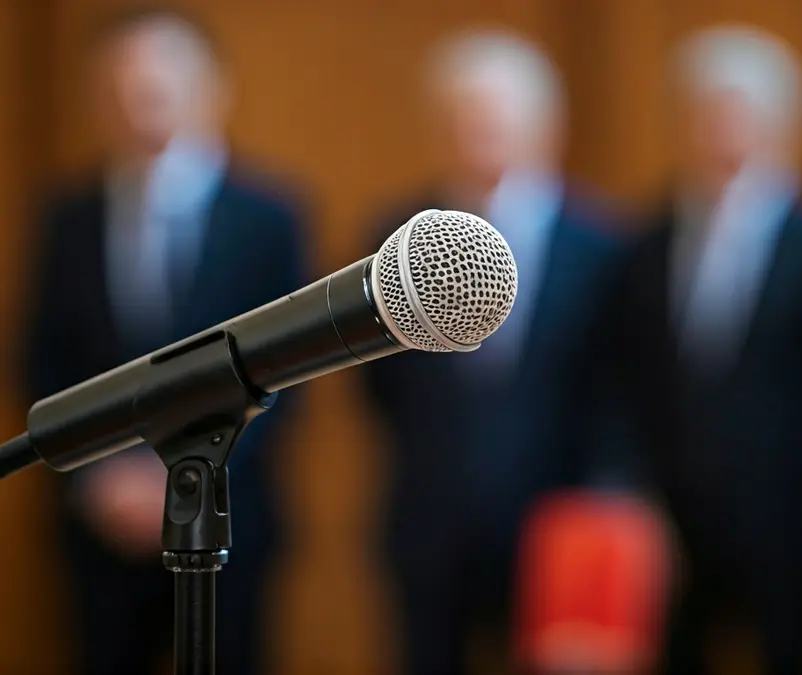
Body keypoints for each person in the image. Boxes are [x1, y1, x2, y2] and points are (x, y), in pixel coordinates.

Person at [21, 8, 309, 675]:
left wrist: (186, 477)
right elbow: (45, 359)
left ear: (211, 89)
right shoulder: (67, 219)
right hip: (101, 528)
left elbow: (290, 375)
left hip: (230, 524)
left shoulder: (269, 217)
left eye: (161, 82)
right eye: (125, 84)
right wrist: (96, 477)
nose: (142, 99)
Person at [359, 29, 627, 675]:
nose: (482, 135)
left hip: (557, 523)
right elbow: (376, 382)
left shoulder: (601, 244)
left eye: (499, 119)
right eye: (467, 118)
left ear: (544, 126)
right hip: (428, 520)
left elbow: (616, 387)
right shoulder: (397, 238)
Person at [612, 25, 802, 675]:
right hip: (669, 515)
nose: (725, 129)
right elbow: (628, 378)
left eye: (742, 112)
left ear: (780, 123)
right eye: (709, 112)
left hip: (783, 511)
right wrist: (639, 494)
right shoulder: (646, 243)